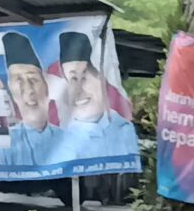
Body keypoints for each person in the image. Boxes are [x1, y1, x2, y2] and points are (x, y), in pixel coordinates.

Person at [52, 29, 140, 163]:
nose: (78, 90)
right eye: (71, 79)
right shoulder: (60, 140)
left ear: (101, 77)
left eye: (84, 77)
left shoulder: (123, 128)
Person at [0, 33, 66, 172]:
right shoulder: (6, 143)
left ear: (46, 86)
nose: (28, 89)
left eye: (33, 80)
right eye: (18, 80)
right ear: (11, 90)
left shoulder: (66, 138)